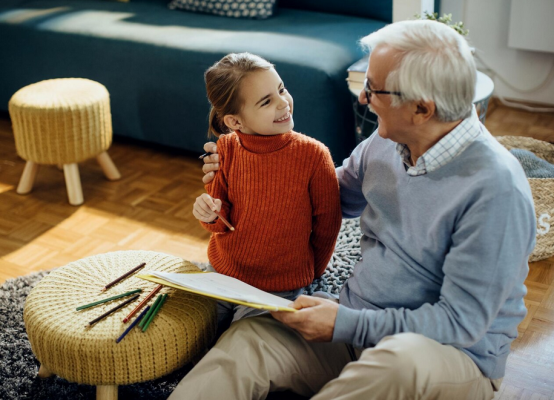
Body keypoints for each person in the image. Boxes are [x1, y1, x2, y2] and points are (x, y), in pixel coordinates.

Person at [170, 20, 536, 400]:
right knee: (251, 340)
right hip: (353, 325)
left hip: (447, 355)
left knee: (399, 362)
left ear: (422, 109)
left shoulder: (496, 190)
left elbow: (461, 323)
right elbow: (321, 200)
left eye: (374, 89)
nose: (363, 98)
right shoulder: (384, 143)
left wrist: (349, 323)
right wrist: (247, 172)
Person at [192, 53, 342, 335]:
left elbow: (328, 224)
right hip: (223, 271)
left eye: (282, 89)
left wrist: (312, 272)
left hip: (279, 286)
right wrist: (208, 213)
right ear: (235, 122)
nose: (283, 102)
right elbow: (218, 222)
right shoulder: (225, 150)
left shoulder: (314, 155)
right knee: (192, 331)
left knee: (241, 343)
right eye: (267, 101)